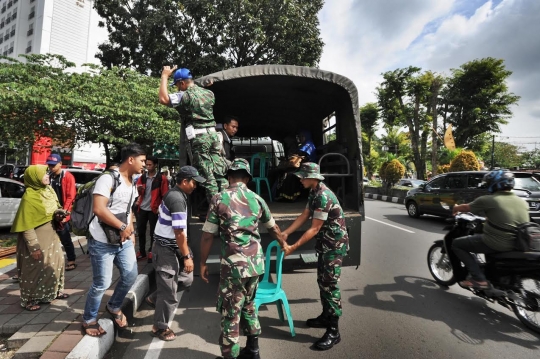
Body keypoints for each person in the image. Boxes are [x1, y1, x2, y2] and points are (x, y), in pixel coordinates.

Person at [200, 158, 285, 359]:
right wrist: (284, 244)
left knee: (230, 313)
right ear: (247, 178)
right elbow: (273, 227)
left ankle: (230, 356)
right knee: (249, 305)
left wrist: (202, 263)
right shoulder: (257, 198)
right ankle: (254, 351)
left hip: (233, 268)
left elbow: (207, 235)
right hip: (256, 266)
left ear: (229, 177)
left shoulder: (219, 198)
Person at [281, 162, 349, 351]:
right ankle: (326, 316)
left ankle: (334, 331)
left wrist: (293, 247)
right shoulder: (313, 192)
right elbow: (305, 215)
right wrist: (287, 232)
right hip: (326, 244)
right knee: (322, 281)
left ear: (313, 177)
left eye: (303, 177)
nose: (300, 180)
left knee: (330, 285)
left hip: (334, 245)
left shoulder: (323, 196)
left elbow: (314, 228)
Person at [82, 143, 146, 337]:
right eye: (142, 161)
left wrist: (131, 231)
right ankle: (89, 319)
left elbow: (128, 211)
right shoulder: (108, 179)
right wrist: (122, 227)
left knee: (130, 274)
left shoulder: (132, 181)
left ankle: (114, 305)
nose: (145, 165)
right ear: (131, 159)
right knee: (102, 282)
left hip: (123, 240)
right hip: (102, 240)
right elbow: (99, 209)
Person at [145, 166, 204, 341]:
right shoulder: (177, 199)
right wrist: (186, 256)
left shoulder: (178, 195)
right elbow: (178, 232)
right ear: (184, 181)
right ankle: (159, 327)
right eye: (194, 182)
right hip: (165, 249)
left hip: (173, 246)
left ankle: (155, 298)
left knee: (187, 278)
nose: (195, 186)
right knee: (169, 293)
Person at [158, 65, 228, 205]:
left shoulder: (183, 95)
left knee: (208, 178)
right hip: (214, 137)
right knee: (220, 175)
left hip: (200, 139)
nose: (178, 88)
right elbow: (198, 90)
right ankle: (229, 206)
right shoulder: (209, 94)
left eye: (178, 85)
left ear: (182, 83)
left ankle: (217, 212)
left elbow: (163, 99)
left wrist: (165, 76)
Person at [452, 170, 529, 289]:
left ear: (495, 183)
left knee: (457, 244)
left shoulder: (489, 200)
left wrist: (456, 208)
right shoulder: (522, 202)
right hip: (519, 244)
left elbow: (466, 207)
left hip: (498, 243)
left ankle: (479, 278)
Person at [10, 165, 70, 311]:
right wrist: (33, 246)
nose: (47, 176)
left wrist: (59, 214)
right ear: (34, 177)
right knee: (34, 270)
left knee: (54, 265)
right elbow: (26, 225)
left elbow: (53, 209)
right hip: (37, 241)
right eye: (44, 174)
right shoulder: (29, 197)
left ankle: (51, 293)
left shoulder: (48, 191)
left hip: (52, 236)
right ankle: (29, 299)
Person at [47, 154, 78, 271]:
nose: (51, 167)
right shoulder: (49, 177)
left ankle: (71, 260)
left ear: (60, 164)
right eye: (49, 165)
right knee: (49, 240)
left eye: (53, 165)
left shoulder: (67, 176)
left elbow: (71, 196)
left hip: (62, 213)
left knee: (65, 238)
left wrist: (65, 213)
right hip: (50, 213)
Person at [135, 155, 169, 261]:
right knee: (140, 230)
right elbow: (137, 192)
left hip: (154, 209)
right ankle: (141, 251)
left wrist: (161, 208)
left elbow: (165, 194)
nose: (148, 166)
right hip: (142, 208)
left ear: (155, 165)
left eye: (150, 164)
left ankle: (151, 251)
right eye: (147, 164)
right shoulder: (143, 177)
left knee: (153, 232)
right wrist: (138, 190)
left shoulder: (161, 178)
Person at [275, 130, 317, 202]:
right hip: (302, 166)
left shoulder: (309, 144)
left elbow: (303, 154)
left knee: (290, 175)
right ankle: (284, 196)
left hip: (310, 168)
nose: (300, 138)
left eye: (302, 136)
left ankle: (291, 197)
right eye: (299, 136)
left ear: (306, 137)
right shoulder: (302, 145)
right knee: (284, 174)